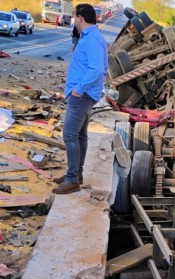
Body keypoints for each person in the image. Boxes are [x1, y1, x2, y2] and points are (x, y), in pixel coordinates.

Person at [52, 3, 108, 194]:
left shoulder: (92, 39)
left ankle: (72, 180)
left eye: (75, 17)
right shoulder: (89, 37)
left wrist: (79, 88)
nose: (73, 20)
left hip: (81, 95)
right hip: (84, 93)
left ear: (81, 18)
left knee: (69, 135)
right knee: (80, 135)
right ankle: (76, 174)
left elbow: (98, 69)